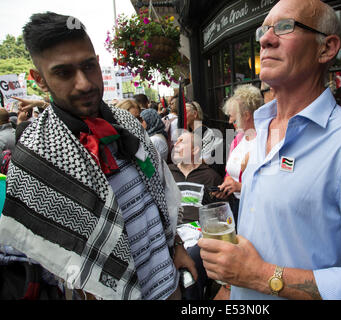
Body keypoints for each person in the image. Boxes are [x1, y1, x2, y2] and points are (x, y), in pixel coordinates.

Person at [198, 0, 341, 300]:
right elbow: (263, 238)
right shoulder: (261, 129)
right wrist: (231, 286)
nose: (266, 39)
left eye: (284, 27)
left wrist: (258, 276)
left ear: (327, 48)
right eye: (264, 30)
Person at [0, 11, 196, 300]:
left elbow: (157, 194)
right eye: (64, 72)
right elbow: (57, 255)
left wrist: (177, 245)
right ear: (39, 79)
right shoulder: (35, 154)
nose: (84, 83)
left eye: (89, 66)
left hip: (169, 286)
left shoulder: (128, 124)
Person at [168, 130, 223, 300]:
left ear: (195, 150)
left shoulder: (211, 177)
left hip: (197, 233)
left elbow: (218, 216)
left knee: (191, 264)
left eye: (181, 141)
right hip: (169, 230)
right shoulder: (166, 172)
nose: (175, 144)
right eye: (176, 141)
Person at [214, 84, 263, 222]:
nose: (230, 121)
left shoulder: (264, 141)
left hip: (255, 209)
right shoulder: (238, 138)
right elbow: (229, 171)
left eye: (233, 119)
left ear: (247, 115)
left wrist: (240, 187)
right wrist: (227, 185)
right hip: (237, 205)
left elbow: (268, 184)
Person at [185, 101, 223, 166]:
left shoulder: (207, 133)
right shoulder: (192, 133)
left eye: (185, 113)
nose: (183, 116)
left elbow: (206, 158)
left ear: (195, 114)